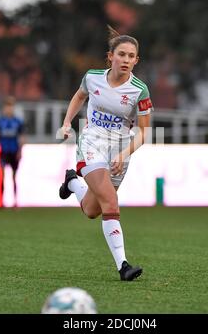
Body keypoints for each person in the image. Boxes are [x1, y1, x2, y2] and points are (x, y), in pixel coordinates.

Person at [59, 26, 153, 281]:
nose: (126, 60)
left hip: (119, 150)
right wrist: (68, 123)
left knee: (92, 210)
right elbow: (79, 97)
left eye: (131, 56)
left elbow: (145, 133)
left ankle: (72, 182)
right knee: (111, 202)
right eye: (121, 54)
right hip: (91, 143)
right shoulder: (92, 77)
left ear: (136, 60)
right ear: (110, 56)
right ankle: (123, 265)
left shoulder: (139, 91)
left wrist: (124, 154)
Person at [0, 96, 25, 208]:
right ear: (4, 108)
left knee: (14, 177)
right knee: (2, 176)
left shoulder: (18, 122)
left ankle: (15, 202)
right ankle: (2, 202)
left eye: (10, 107)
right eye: (7, 107)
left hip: (14, 152)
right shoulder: (0, 122)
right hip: (4, 152)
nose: (8, 109)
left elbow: (21, 137)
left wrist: (20, 151)